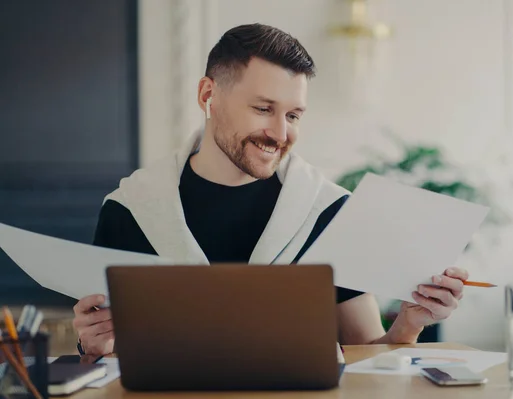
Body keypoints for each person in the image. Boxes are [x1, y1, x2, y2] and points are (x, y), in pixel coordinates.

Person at [73, 23, 468, 356]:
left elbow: (366, 355)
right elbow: (105, 359)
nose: (280, 134)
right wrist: (92, 346)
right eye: (263, 109)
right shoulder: (130, 211)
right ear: (208, 96)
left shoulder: (328, 211)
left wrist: (408, 325)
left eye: (293, 115)